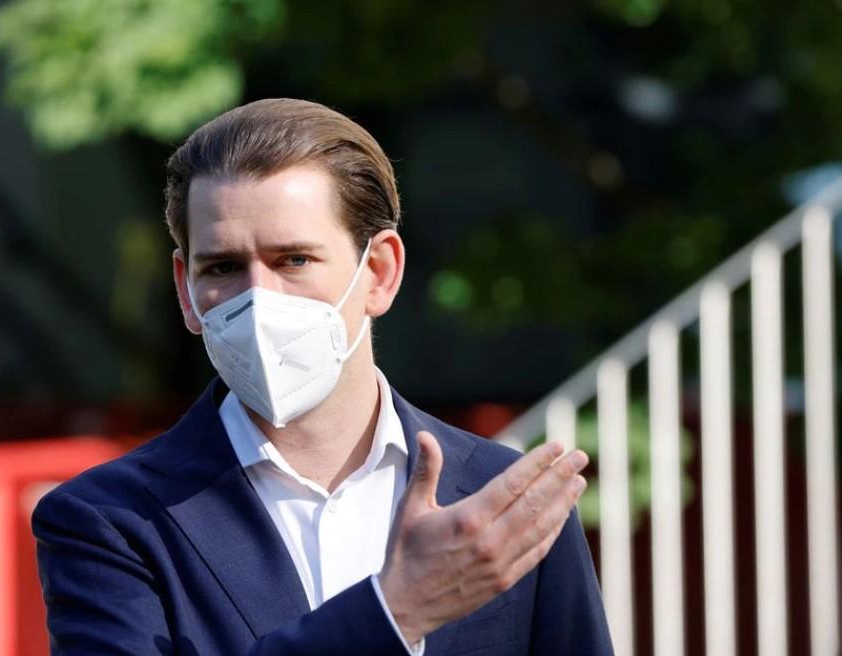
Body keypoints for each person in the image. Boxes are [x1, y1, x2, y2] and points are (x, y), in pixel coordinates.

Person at [33, 98, 613, 655]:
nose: (258, 298)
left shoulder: (504, 502)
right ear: (186, 290)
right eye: (224, 267)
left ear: (379, 273)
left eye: (294, 260)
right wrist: (395, 612)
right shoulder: (109, 520)